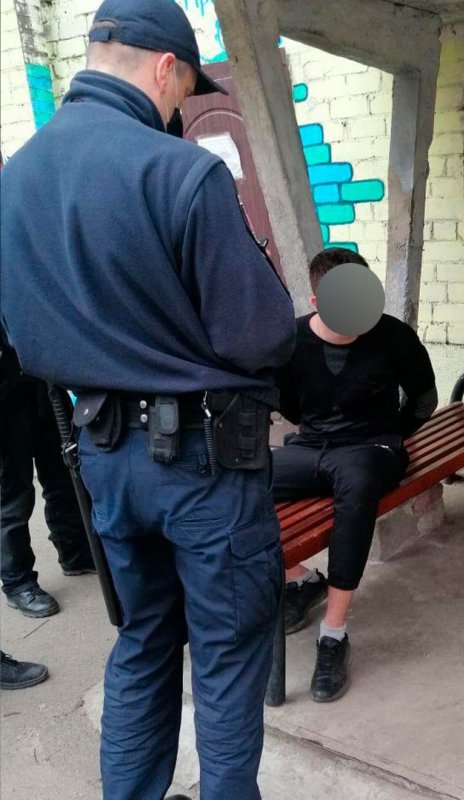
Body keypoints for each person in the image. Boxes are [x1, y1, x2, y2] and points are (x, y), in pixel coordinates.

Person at [0, 0, 296, 798]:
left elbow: (22, 335)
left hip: (105, 458)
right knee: (227, 656)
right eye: (185, 90)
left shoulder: (15, 179)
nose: (179, 110)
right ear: (166, 67)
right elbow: (260, 334)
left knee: (143, 641)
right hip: (204, 465)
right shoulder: (181, 171)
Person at [274, 248, 437, 702]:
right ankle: (302, 579)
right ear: (316, 300)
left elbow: (424, 399)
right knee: (238, 481)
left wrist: (391, 436)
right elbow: (288, 404)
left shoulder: (393, 336)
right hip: (311, 448)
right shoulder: (291, 341)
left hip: (371, 449)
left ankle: (333, 634)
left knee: (358, 487)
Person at [1, 344, 96, 619]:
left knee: (64, 477)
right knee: (13, 494)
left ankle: (75, 554)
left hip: (44, 381)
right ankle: (17, 580)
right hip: (6, 393)